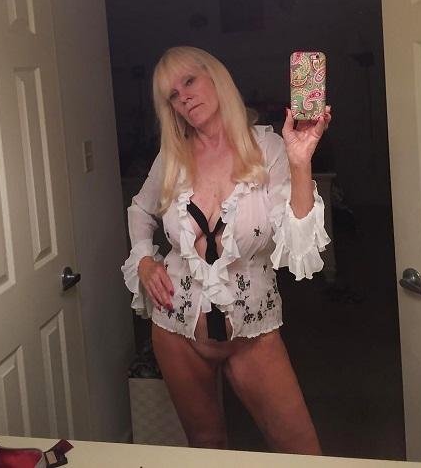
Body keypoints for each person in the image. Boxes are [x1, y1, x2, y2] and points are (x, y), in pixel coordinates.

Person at [122, 46, 332, 453]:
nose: (183, 97)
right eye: (172, 95)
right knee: (206, 445)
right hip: (176, 327)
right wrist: (145, 259)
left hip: (252, 331)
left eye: (189, 81)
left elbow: (298, 242)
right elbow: (140, 209)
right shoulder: (172, 156)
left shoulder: (267, 149)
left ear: (215, 77)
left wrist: (300, 160)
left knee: (302, 451)